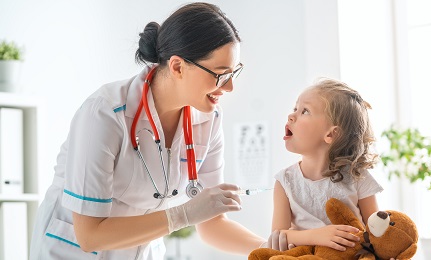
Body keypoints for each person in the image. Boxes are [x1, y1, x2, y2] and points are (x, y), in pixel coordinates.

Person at [29, 2, 266, 259]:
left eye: (234, 73)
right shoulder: (105, 113)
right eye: (221, 74)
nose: (229, 87)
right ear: (177, 67)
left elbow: (212, 224)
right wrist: (184, 214)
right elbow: (90, 235)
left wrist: (273, 251)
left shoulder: (208, 119)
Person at [270, 78, 384, 251]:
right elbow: (278, 236)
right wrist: (318, 235)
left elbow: (378, 232)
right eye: (295, 108)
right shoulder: (285, 181)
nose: (291, 116)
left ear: (331, 134)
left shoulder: (357, 176)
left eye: (305, 111)